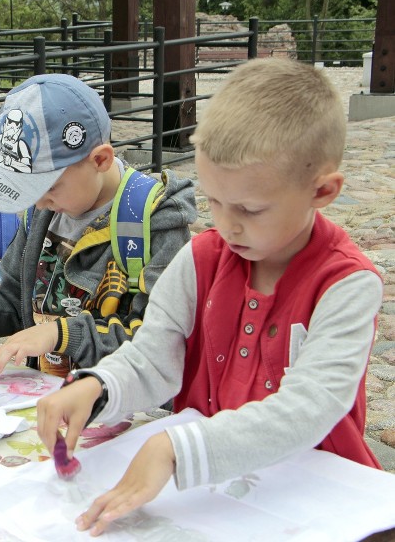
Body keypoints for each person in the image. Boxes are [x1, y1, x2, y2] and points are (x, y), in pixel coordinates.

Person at [36, 58, 383, 536]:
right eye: (215, 201)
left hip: (316, 499)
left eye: (250, 208)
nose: (227, 224)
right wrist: (98, 387)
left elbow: (309, 407)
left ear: (322, 191)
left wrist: (176, 449)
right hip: (212, 499)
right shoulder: (202, 260)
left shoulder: (345, 284)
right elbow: (155, 356)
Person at [0, 73, 197, 379]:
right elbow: (14, 304)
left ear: (100, 160)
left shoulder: (154, 223)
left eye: (48, 187)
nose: (39, 202)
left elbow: (158, 341)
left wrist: (59, 334)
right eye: (26, 189)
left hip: (118, 408)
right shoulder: (42, 213)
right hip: (44, 396)